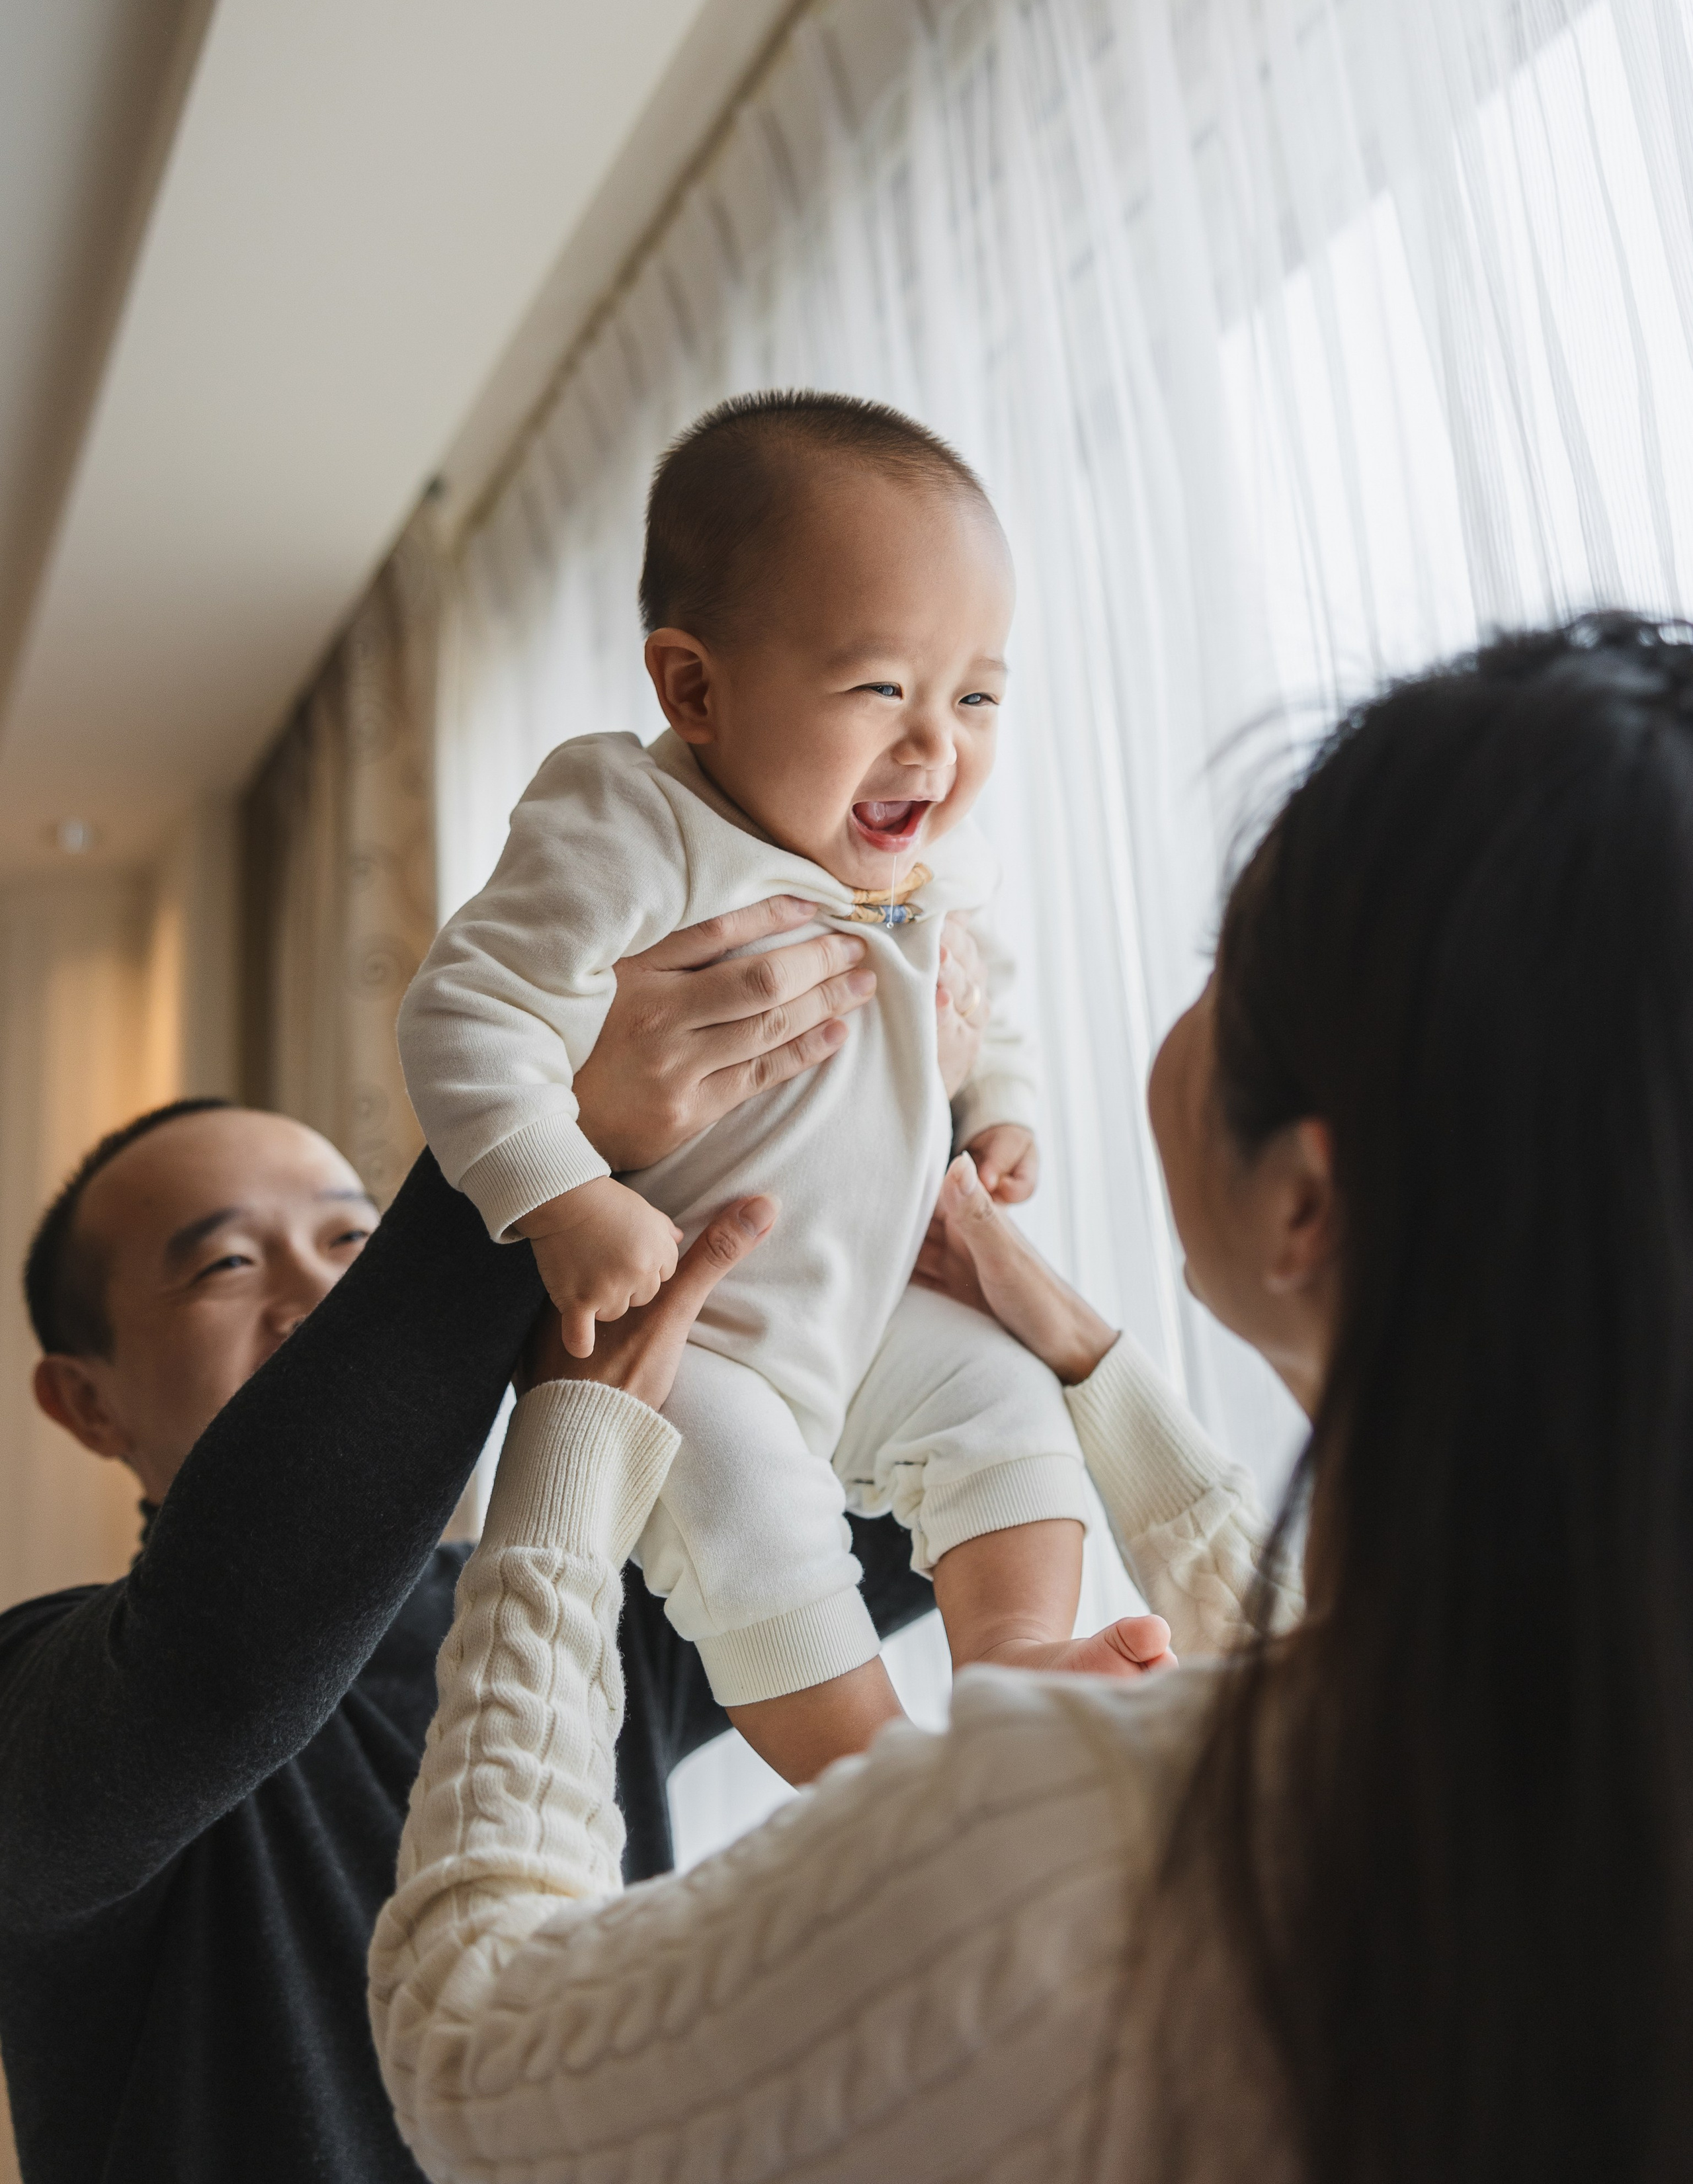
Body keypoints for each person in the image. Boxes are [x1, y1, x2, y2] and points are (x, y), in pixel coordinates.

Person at [371, 612, 1693, 2184]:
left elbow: (472, 2056)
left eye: (1225, 964)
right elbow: (1326, 1668)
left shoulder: (1090, 1855)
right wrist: (1076, 1349)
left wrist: (568, 1462)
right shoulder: (1568, 1740)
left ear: (1304, 1203)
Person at [0, 899, 983, 2184]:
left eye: (353, 1241)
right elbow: (228, 1655)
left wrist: (897, 1109)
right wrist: (551, 1137)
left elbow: (916, 1497)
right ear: (85, 1401)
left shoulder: (564, 1603)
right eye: (227, 1264)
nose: (319, 1294)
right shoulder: (36, 1692)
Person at [399, 390, 1146, 1789]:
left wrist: (1001, 1113)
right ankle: (873, 1779)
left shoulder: (919, 866)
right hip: (702, 1326)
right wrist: (558, 1191)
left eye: (974, 694)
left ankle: (1015, 1654)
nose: (935, 747)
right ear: (693, 688)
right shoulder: (633, 824)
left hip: (879, 1300)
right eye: (879, 689)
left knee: (1002, 1404)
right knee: (740, 1515)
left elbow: (986, 988)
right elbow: (468, 1011)